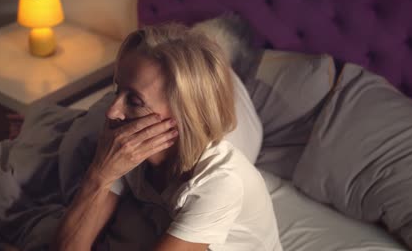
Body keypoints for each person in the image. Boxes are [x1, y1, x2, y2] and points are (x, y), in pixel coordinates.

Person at [54, 23, 282, 251]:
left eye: (134, 101)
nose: (112, 112)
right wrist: (100, 173)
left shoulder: (220, 182)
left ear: (185, 115)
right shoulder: (130, 146)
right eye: (117, 91)